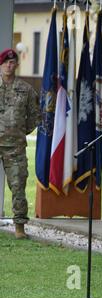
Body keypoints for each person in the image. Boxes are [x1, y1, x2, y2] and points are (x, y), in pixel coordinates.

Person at [0, 48, 40, 239]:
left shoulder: (26, 90)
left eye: (12, 62)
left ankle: (19, 228)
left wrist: (18, 132)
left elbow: (34, 117)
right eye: (6, 62)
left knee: (18, 186)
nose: (9, 65)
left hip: (14, 146)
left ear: (16, 64)